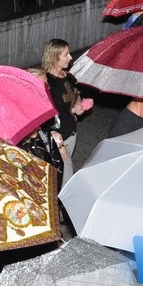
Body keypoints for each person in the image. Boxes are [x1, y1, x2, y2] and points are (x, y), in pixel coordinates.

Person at [41, 39, 91, 187]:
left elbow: (72, 102)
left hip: (71, 132)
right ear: (55, 57)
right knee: (64, 179)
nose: (70, 57)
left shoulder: (68, 77)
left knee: (60, 177)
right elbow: (44, 117)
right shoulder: (46, 82)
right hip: (57, 137)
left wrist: (77, 108)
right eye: (66, 54)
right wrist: (59, 143)